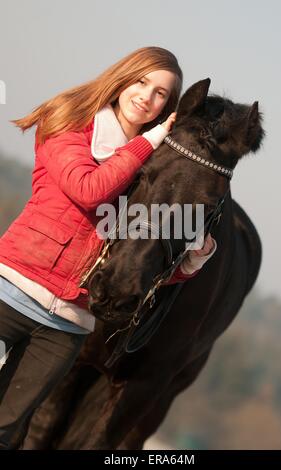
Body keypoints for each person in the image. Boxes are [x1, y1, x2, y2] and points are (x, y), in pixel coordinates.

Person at [0, 46, 216, 449]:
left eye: (161, 95)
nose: (146, 98)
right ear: (123, 77)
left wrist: (192, 261)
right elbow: (89, 189)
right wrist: (149, 143)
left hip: (65, 326)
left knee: (6, 432)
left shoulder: (145, 172)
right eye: (142, 82)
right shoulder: (69, 121)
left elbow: (134, 266)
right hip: (9, 292)